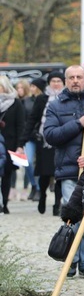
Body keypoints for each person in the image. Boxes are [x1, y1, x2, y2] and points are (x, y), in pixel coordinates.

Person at [44, 66, 84, 278]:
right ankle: (71, 260)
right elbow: (50, 135)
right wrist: (78, 124)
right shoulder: (56, 106)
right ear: (65, 81)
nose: (75, 80)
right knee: (72, 217)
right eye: (71, 77)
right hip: (68, 171)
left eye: (79, 77)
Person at [18, 72, 63, 215]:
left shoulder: (66, 97)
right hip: (44, 141)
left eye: (58, 81)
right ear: (49, 83)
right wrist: (22, 141)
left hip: (62, 141)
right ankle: (42, 195)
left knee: (59, 175)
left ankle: (57, 204)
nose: (56, 83)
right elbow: (32, 120)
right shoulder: (42, 99)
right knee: (45, 174)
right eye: (53, 81)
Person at [0, 76, 26, 214]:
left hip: (9, 143)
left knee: (6, 175)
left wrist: (20, 145)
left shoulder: (15, 104)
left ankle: (4, 202)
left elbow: (20, 126)